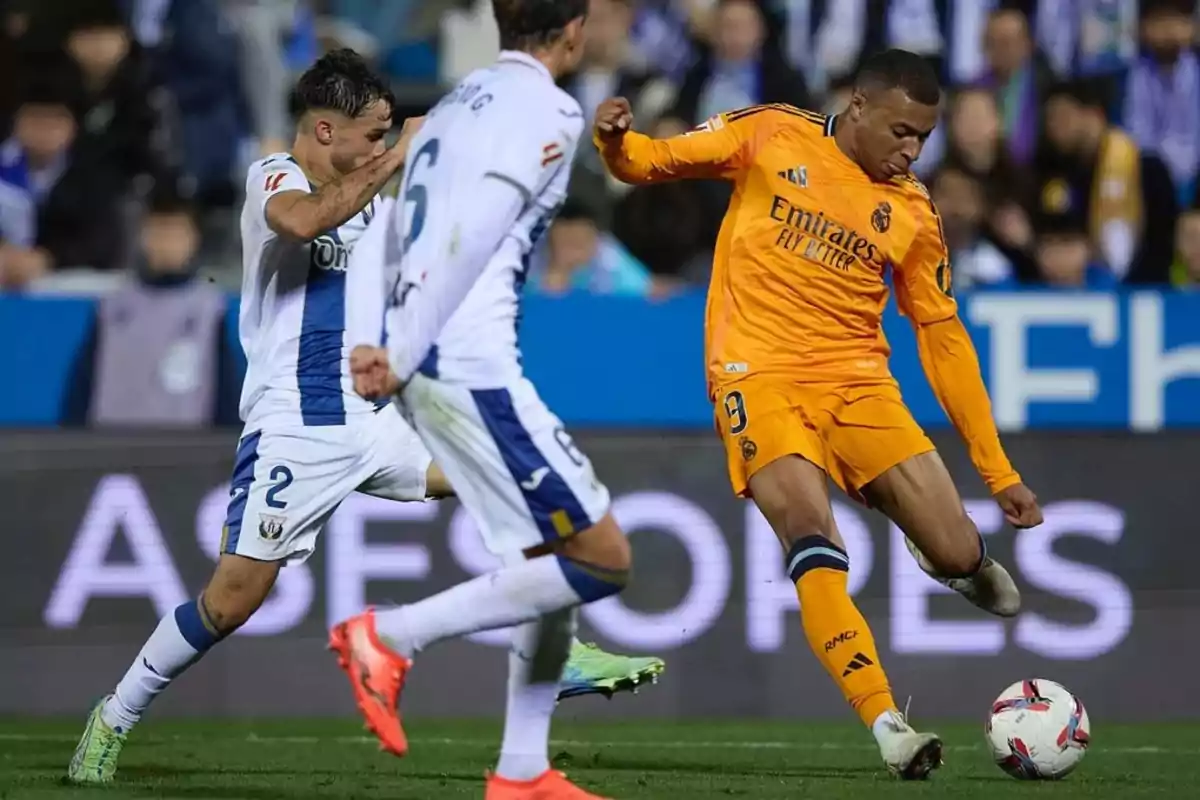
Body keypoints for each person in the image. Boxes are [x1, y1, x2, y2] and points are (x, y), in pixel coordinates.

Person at [66, 46, 658, 787]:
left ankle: (553, 649)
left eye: (385, 134)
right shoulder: (274, 179)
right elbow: (303, 222)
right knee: (231, 601)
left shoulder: (376, 190)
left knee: (506, 480)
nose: (381, 146)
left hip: (379, 414)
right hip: (297, 424)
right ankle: (114, 715)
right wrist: (400, 154)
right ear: (323, 132)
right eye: (370, 134)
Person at [593, 48, 1044, 779]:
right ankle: (888, 724)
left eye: (924, 138)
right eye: (901, 131)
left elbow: (941, 335)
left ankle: (946, 555)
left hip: (858, 383)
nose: (912, 150)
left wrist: (997, 471)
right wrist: (615, 141)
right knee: (808, 532)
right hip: (757, 375)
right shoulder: (772, 133)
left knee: (960, 551)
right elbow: (651, 163)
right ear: (859, 106)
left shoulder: (913, 211)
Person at [329, 2, 630, 797]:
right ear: (573, 32)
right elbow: (470, 231)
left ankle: (523, 769)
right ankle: (388, 635)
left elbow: (390, 218)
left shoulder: (458, 102)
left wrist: (376, 335)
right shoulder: (551, 111)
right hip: (468, 362)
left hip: (428, 351)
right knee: (601, 559)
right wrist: (400, 348)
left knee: (544, 560)